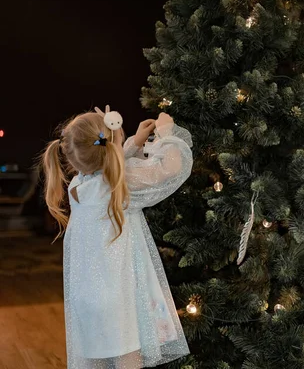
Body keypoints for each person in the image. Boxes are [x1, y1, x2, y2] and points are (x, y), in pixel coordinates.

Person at [41, 107, 193, 368]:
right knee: (127, 359)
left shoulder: (79, 185)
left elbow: (108, 163)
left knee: (97, 359)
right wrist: (168, 134)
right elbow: (170, 167)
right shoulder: (120, 185)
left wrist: (132, 142)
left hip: (87, 297)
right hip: (118, 298)